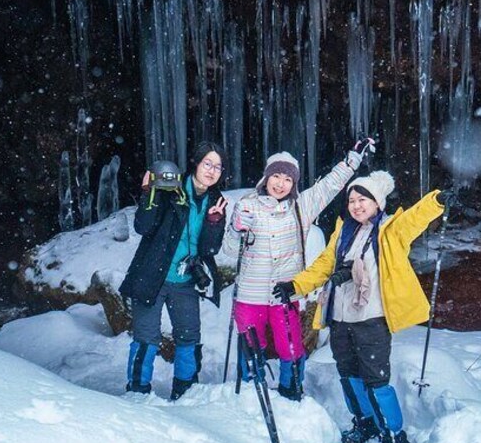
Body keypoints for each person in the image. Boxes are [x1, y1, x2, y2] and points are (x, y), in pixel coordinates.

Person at [273, 171, 454, 443]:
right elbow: (323, 266)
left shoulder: (389, 231)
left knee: (376, 378)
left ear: (377, 202)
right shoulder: (343, 231)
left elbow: (414, 218)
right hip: (340, 318)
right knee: (348, 373)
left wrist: (437, 201)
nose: (357, 205)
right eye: (352, 200)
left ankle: (394, 436)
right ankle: (365, 422)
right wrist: (294, 286)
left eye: (363, 199)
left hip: (372, 319)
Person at [224, 143, 371, 401]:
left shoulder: (302, 206)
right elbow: (228, 249)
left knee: (290, 346)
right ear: (267, 177)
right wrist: (236, 229)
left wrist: (352, 161)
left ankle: (291, 390)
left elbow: (329, 185)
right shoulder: (247, 205)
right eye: (277, 176)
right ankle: (249, 393)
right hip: (250, 292)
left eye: (288, 178)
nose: (281, 184)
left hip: (284, 292)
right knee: (250, 345)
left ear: (294, 183)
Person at [120, 142, 228, 400]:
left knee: (189, 336)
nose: (212, 171)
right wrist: (149, 193)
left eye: (218, 167)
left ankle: (185, 391)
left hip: (185, 279)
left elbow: (209, 249)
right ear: (196, 163)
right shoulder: (171, 187)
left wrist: (213, 223)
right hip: (152, 276)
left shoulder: (216, 201)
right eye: (207, 164)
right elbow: (143, 227)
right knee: (146, 337)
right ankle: (137, 391)